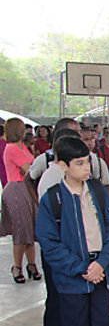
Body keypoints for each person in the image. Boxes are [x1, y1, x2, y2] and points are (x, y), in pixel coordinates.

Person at [35, 137, 109, 326]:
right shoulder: (52, 199)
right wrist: (82, 268)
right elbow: (50, 245)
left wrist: (101, 264)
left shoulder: (98, 192)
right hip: (73, 279)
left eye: (88, 162)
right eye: (80, 163)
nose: (87, 168)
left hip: (101, 274)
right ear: (63, 166)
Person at [1, 118, 39, 284]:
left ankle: (32, 264)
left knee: (30, 229)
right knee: (21, 231)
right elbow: (29, 169)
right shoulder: (11, 148)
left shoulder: (21, 146)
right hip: (17, 189)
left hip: (27, 189)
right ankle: (17, 266)